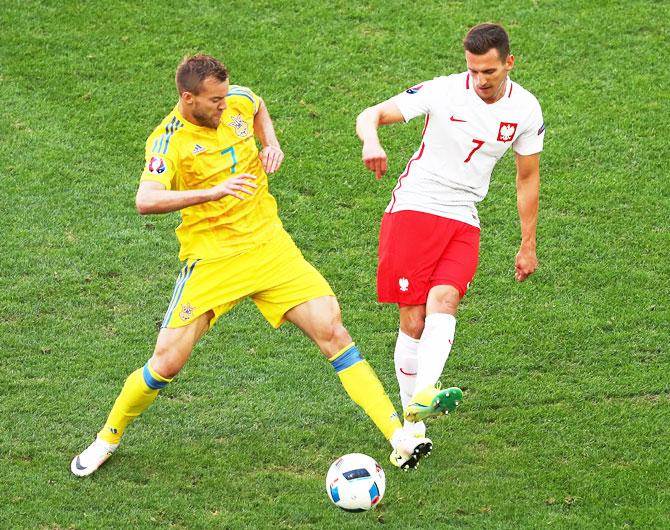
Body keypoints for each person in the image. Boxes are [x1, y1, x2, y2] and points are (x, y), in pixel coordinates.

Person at [71, 54, 433, 476]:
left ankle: (398, 437)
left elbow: (257, 105)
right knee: (166, 362)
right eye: (214, 101)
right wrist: (213, 191)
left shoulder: (237, 101)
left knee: (333, 332)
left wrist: (271, 143)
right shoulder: (168, 141)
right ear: (188, 98)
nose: (225, 105)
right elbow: (146, 200)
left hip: (270, 249)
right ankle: (107, 438)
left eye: (225, 97)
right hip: (213, 261)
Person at [356, 23, 544, 440]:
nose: (479, 81)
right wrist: (372, 141)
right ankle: (413, 423)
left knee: (446, 298)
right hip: (415, 207)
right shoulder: (443, 90)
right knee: (414, 318)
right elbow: (371, 114)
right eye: (473, 70)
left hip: (464, 214)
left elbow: (527, 177)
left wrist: (527, 243)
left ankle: (424, 392)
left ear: (509, 63)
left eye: (489, 72)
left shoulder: (526, 110)